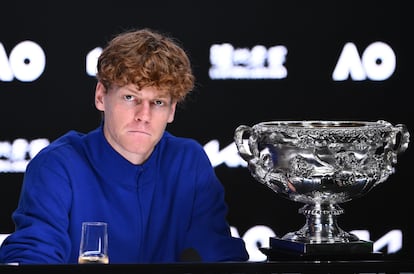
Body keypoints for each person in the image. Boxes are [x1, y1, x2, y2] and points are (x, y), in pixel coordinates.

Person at [0, 28, 249, 264]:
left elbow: (218, 256)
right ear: (101, 96)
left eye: (158, 102)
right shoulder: (58, 165)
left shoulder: (189, 162)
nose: (144, 115)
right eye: (130, 97)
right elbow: (33, 256)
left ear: (172, 110)